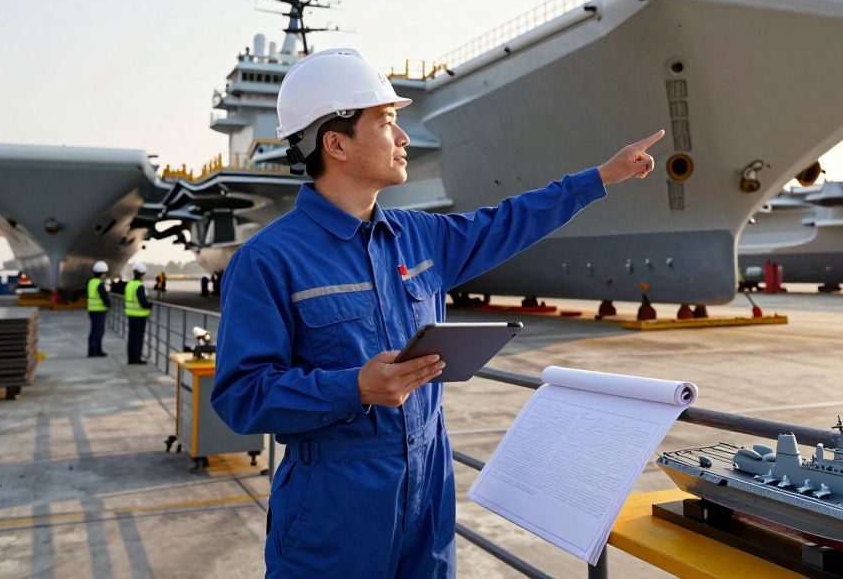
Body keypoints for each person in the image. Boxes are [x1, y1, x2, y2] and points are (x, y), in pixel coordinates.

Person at [209, 47, 662, 578]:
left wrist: (601, 177)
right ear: (336, 143)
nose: (403, 138)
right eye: (386, 122)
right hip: (333, 508)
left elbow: (510, 221)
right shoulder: (268, 260)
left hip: (428, 491)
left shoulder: (421, 236)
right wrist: (354, 387)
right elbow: (241, 397)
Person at [123, 262, 152, 365]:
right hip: (139, 316)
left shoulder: (129, 284)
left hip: (131, 314)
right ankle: (137, 358)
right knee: (138, 338)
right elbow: (143, 302)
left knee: (131, 337)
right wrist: (149, 305)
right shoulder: (139, 286)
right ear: (142, 274)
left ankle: (131, 358)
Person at [85, 260, 110, 357]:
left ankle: (93, 350)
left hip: (91, 310)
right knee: (98, 331)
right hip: (99, 310)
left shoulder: (91, 282)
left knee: (94, 330)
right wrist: (109, 305)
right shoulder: (99, 284)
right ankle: (96, 350)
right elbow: (104, 297)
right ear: (102, 273)